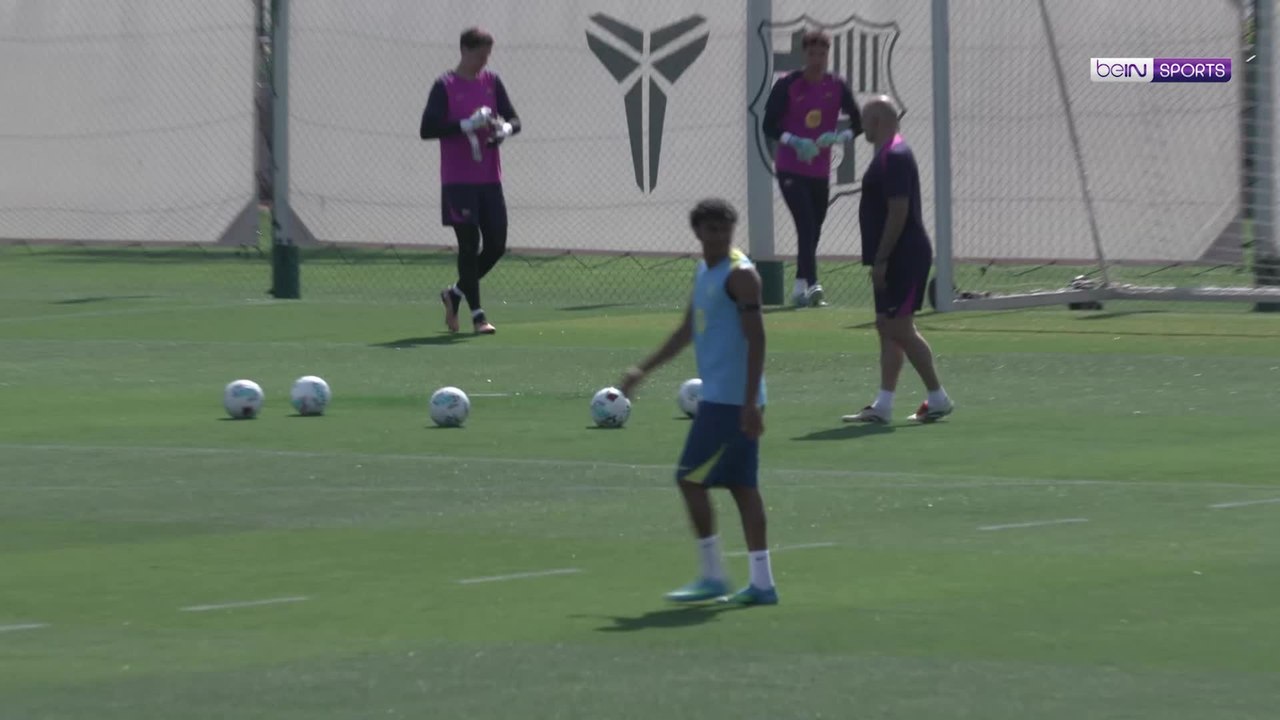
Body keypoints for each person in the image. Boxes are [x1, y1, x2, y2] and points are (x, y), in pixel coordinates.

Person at [619, 199, 777, 606]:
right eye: (712, 231)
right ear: (698, 233)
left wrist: (750, 404)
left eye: (726, 230)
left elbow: (757, 339)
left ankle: (714, 576)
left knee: (690, 479)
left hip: (730, 403)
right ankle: (761, 584)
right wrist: (644, 369)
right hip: (721, 398)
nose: (721, 237)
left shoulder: (741, 276)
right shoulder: (705, 270)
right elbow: (688, 329)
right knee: (742, 487)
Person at [842, 96, 954, 424]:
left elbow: (899, 210)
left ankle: (938, 397)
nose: (862, 127)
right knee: (886, 327)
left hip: (903, 256)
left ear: (877, 120)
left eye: (865, 119)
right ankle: (883, 405)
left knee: (899, 327)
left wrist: (882, 258)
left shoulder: (896, 155)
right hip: (890, 256)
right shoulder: (885, 155)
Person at [419, 27, 521, 335]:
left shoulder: (492, 82)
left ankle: (454, 294)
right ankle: (478, 316)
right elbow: (427, 128)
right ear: (464, 50)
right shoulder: (445, 85)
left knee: (496, 244)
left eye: (487, 55)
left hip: (489, 178)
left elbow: (514, 119)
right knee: (468, 244)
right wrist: (465, 124)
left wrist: (504, 129)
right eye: (479, 55)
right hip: (458, 181)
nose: (483, 62)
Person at [762, 29, 862, 308]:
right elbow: (768, 125)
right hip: (791, 168)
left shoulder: (837, 85)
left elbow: (859, 123)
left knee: (814, 229)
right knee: (805, 225)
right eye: (812, 53)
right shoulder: (788, 84)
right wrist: (794, 141)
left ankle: (798, 288)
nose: (817, 59)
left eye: (822, 53)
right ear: (803, 54)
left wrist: (839, 137)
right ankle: (814, 285)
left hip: (819, 170)